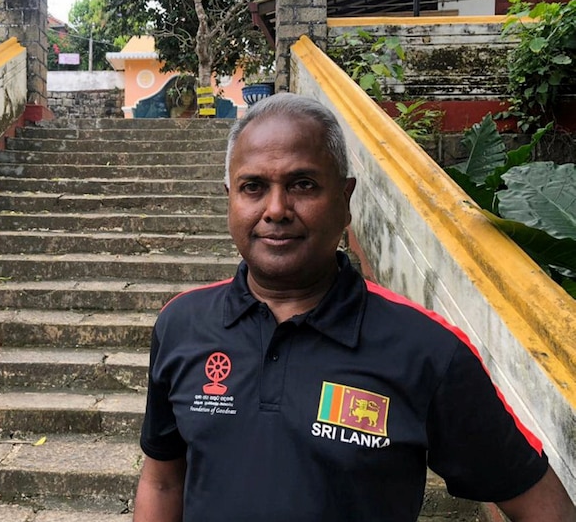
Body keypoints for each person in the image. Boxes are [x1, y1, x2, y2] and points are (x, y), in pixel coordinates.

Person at [133, 92, 576, 521]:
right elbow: (163, 481)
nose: (276, 209)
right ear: (229, 197)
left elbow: (535, 499)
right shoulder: (182, 324)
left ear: (345, 199)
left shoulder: (426, 349)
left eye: (302, 185)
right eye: (253, 187)